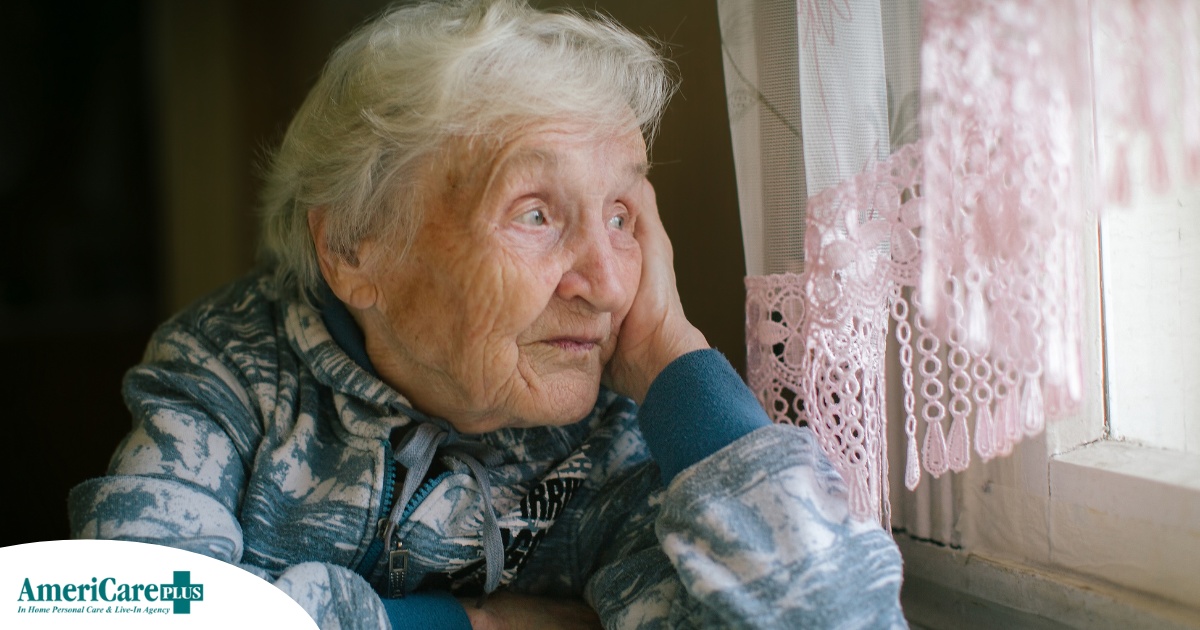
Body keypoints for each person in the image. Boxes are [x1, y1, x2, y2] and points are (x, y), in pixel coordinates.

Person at [69, 1, 907, 628]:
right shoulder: (229, 374)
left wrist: (674, 359)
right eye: (536, 212)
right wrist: (469, 623)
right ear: (355, 247)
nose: (609, 286)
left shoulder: (616, 433)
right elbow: (107, 613)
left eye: (621, 214)